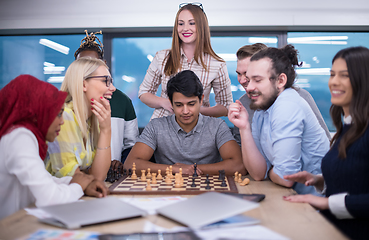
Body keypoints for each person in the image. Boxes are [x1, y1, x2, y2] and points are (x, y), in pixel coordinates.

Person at [283, 46, 369, 239]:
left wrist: (326, 203)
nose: (334, 82)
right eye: (332, 74)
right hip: (331, 229)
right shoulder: (346, 127)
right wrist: (319, 180)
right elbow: (358, 177)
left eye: (344, 75)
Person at [0, 75, 108, 220]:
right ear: (36, 113)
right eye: (57, 114)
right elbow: (50, 199)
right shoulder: (19, 138)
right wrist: (77, 186)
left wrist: (80, 183)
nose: (62, 122)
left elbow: (45, 180)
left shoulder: (25, 136)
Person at [228, 44, 329, 194]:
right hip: (295, 195)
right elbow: (257, 173)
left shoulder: (287, 103)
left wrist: (271, 172)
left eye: (257, 80)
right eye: (249, 79)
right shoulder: (261, 109)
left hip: (321, 199)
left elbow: (286, 178)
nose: (248, 87)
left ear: (280, 81)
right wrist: (244, 128)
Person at [125, 70, 245, 176]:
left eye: (191, 104)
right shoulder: (156, 126)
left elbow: (239, 166)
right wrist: (174, 170)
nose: (185, 111)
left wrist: (192, 169)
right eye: (179, 105)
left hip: (208, 193)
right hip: (167, 192)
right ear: (170, 103)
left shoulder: (217, 126)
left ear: (201, 99)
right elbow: (130, 164)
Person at [139, 3, 233, 119]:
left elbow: (226, 106)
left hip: (198, 130)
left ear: (201, 26)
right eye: (181, 24)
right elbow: (144, 93)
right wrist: (164, 102)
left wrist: (197, 110)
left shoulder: (217, 64)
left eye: (192, 23)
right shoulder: (161, 57)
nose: (185, 28)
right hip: (162, 126)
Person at [232, 43, 331, 145]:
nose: (242, 80)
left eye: (250, 75)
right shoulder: (243, 104)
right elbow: (241, 148)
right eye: (239, 74)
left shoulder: (300, 98)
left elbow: (325, 142)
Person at [46, 57, 115, 181]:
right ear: (83, 84)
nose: (113, 88)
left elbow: (98, 177)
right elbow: (73, 179)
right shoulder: (64, 117)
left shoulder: (91, 121)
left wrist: (106, 130)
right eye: (106, 80)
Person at [75, 30, 139, 164]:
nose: (87, 68)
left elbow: (131, 145)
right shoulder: (67, 107)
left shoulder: (122, 100)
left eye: (93, 63)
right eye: (82, 63)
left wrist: (121, 162)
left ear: (103, 64)